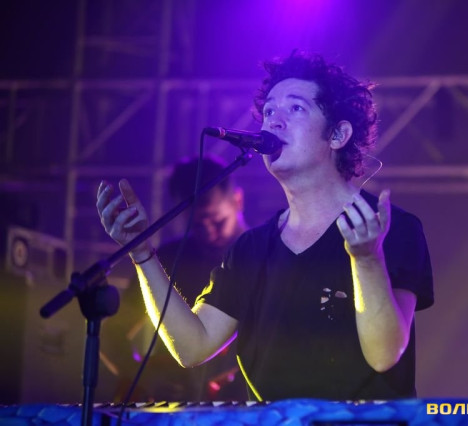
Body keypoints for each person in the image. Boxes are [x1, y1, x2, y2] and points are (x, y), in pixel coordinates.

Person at [97, 51, 434, 401]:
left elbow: (384, 355)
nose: (274, 122)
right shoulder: (251, 249)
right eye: (269, 111)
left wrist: (367, 259)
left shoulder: (394, 228)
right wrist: (142, 253)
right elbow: (192, 346)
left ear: (338, 134)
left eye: (296, 108)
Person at [103, 156, 248, 402]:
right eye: (197, 224)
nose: (209, 231)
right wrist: (144, 378)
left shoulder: (264, 255)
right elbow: (112, 332)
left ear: (238, 200)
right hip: (175, 405)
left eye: (217, 220)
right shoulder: (170, 258)